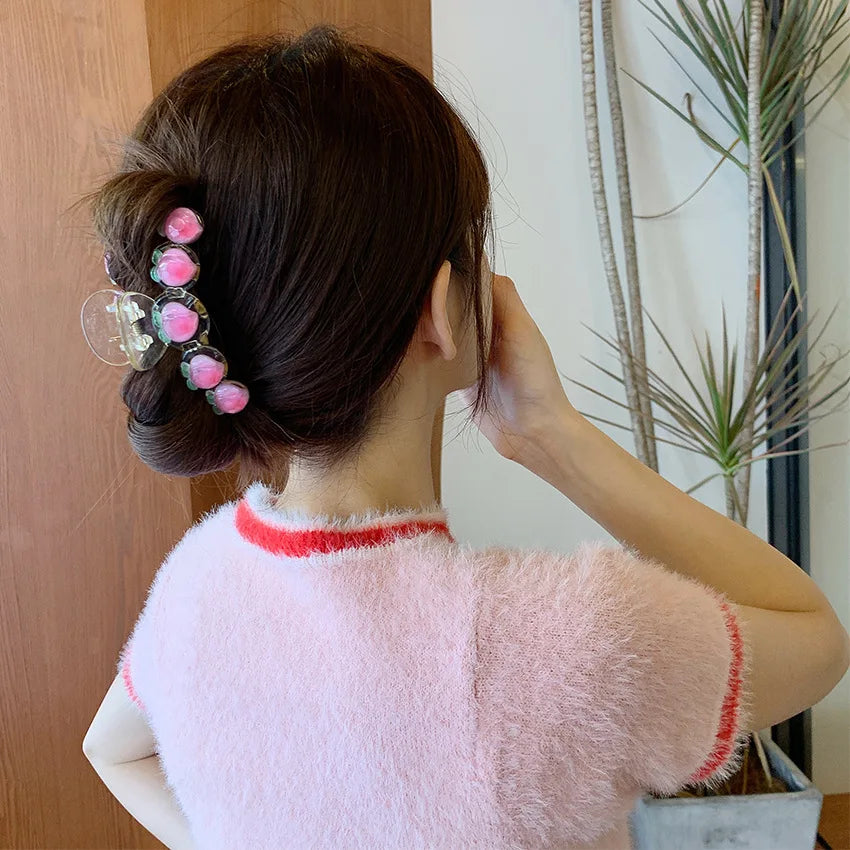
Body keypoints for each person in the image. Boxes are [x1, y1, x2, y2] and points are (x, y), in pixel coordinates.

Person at [80, 24, 850, 850]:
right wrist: (553, 437)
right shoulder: (571, 647)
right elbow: (814, 637)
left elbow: (113, 752)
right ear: (440, 307)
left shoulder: (195, 587)